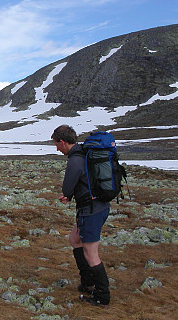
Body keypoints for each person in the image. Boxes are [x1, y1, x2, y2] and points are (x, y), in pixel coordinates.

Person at [51, 125, 111, 306]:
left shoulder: (75, 159)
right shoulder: (84, 154)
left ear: (62, 142)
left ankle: (102, 296)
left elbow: (68, 186)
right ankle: (88, 283)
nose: (56, 149)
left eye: (56, 144)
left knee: (91, 254)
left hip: (92, 210)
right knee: (74, 239)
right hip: (94, 207)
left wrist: (67, 194)